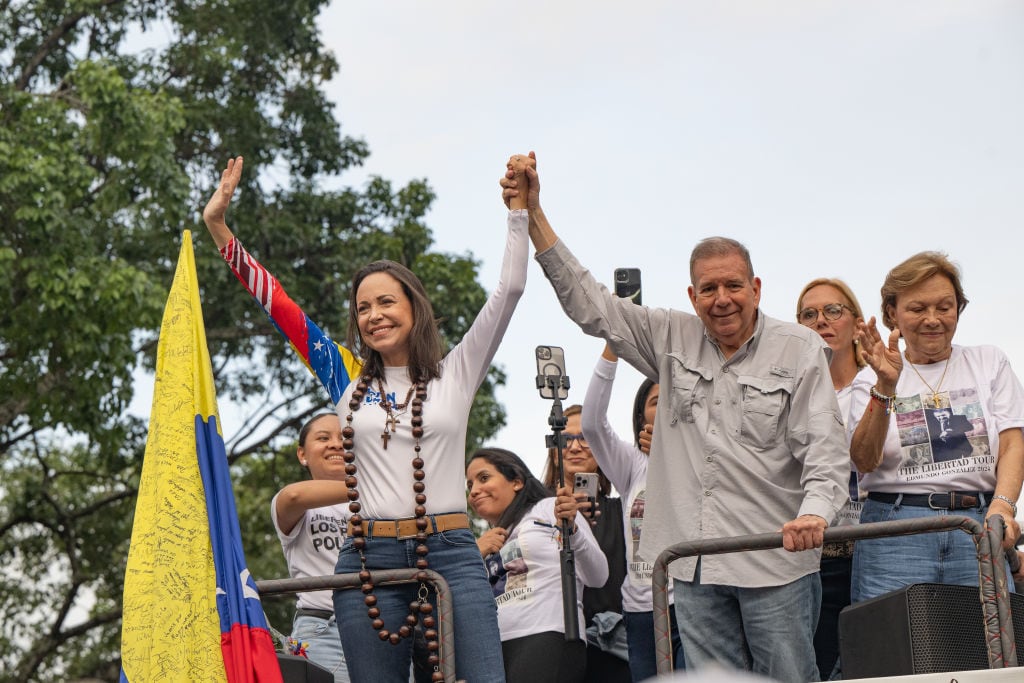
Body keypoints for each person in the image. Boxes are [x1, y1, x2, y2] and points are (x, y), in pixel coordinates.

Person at [502, 152, 850, 683]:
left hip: (776, 560)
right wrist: (535, 214)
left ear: (756, 289)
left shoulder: (799, 347)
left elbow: (825, 447)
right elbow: (588, 303)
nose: (722, 299)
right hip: (692, 565)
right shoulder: (669, 335)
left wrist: (817, 513)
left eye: (734, 285)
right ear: (692, 295)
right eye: (708, 288)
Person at [204, 155, 531, 682]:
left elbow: (509, 291)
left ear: (414, 308)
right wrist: (219, 228)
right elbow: (279, 305)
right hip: (367, 556)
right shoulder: (347, 378)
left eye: (385, 302)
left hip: (450, 548)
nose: (373, 315)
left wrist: (521, 213)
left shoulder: (456, 372)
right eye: (362, 308)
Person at [850, 251, 1024, 604]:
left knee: (984, 648)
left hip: (977, 522)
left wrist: (1003, 506)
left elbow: (1012, 443)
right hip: (894, 528)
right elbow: (864, 460)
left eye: (944, 307)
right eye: (917, 309)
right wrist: (885, 387)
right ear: (892, 313)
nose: (933, 319)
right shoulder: (869, 377)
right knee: (894, 646)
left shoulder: (989, 361)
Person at [582, 343, 686, 680]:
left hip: (694, 601)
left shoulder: (703, 455)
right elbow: (592, 425)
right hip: (641, 610)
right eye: (657, 400)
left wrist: (675, 447)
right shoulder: (631, 465)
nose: (667, 403)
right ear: (642, 415)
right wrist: (613, 349)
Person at [467, 447, 609, 683]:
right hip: (494, 647)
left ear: (517, 481)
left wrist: (572, 531)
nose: (474, 491)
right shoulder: (485, 542)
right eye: (470, 484)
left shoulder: (550, 508)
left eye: (483, 478)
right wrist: (474, 554)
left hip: (548, 634)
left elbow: (599, 576)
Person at [795, 279, 875, 679]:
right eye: (809, 314)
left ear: (857, 322)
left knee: (874, 662)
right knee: (821, 663)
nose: (821, 321)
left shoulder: (881, 382)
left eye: (833, 311)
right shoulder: (791, 391)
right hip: (815, 556)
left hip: (875, 549)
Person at [540, 404, 631, 683]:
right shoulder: (534, 514)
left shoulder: (623, 508)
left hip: (616, 647)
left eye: (586, 439)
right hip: (552, 646)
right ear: (553, 453)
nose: (575, 447)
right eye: (566, 439)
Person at [272, 413, 352, 682]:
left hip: (384, 628)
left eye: (345, 438)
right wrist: (373, 487)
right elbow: (294, 496)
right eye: (323, 438)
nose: (336, 444)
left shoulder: (381, 506)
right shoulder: (298, 505)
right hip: (323, 629)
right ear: (302, 454)